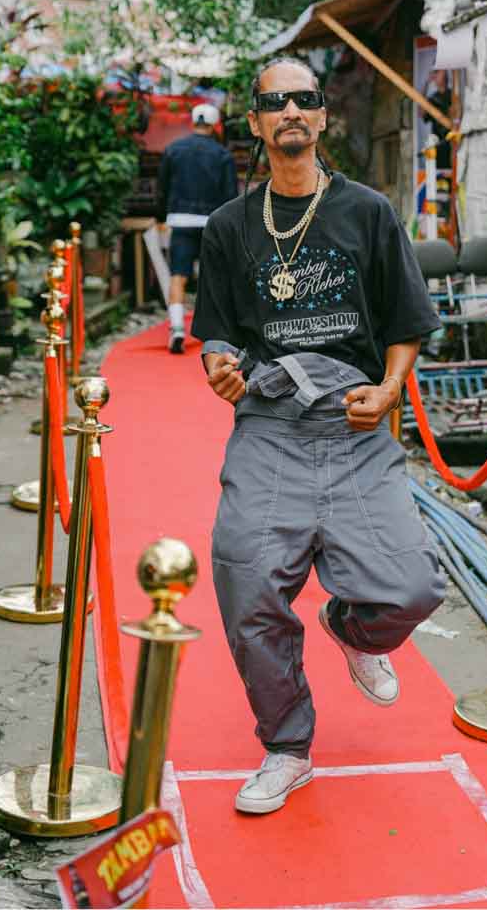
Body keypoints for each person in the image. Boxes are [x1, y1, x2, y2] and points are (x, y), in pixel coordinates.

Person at [192, 57, 446, 815]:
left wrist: (390, 390)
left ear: (323, 116)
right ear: (257, 123)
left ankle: (351, 629)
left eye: (305, 98)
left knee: (412, 587)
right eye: (276, 102)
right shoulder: (230, 226)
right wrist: (218, 367)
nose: (292, 111)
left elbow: (405, 322)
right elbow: (217, 334)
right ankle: (287, 746)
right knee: (244, 576)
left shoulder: (368, 212)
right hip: (271, 423)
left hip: (355, 421)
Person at [156, 102, 238, 352]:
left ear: (193, 122)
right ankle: (215, 332)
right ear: (214, 126)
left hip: (180, 219)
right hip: (212, 222)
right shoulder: (222, 155)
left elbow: (162, 188)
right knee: (214, 277)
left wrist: (161, 217)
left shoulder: (173, 150)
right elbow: (231, 195)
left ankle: (177, 328)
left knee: (178, 275)